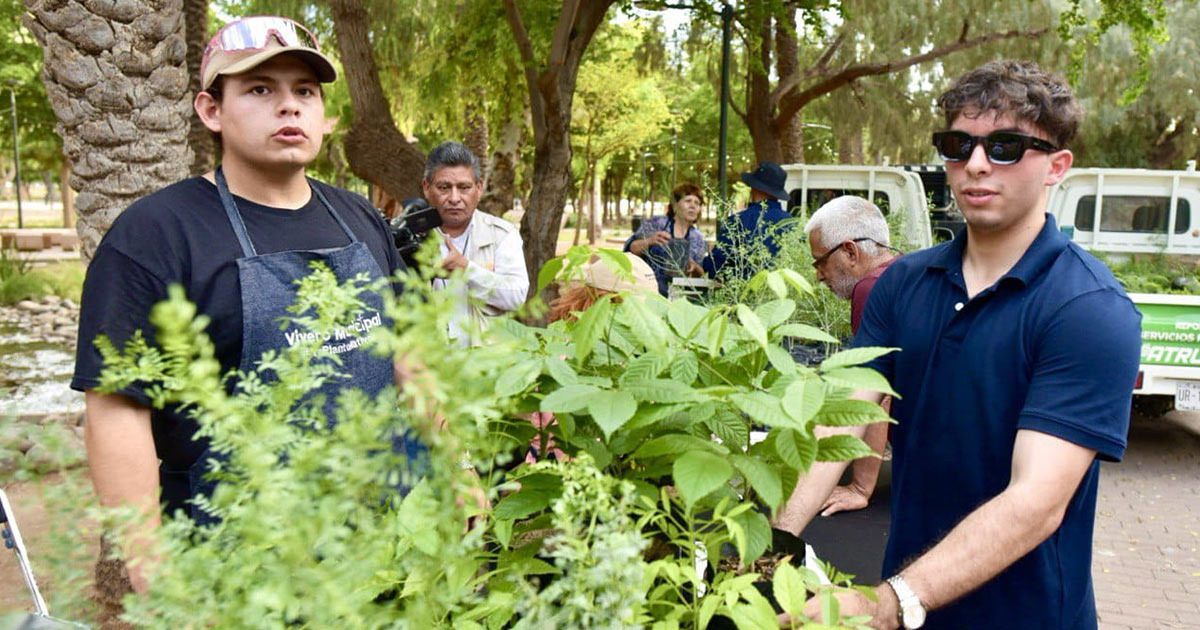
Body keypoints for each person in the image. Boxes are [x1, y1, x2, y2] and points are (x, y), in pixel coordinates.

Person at [775, 61, 1141, 630]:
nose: (975, 164)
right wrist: (776, 538)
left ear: (1057, 167)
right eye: (958, 144)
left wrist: (889, 602)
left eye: (1005, 146)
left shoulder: (1089, 309)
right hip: (914, 601)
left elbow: (1036, 503)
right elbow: (838, 417)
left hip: (1025, 616)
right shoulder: (903, 284)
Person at [71, 16, 416, 594]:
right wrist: (155, 574)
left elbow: (408, 352)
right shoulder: (155, 235)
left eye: (304, 91)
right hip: (233, 562)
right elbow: (117, 409)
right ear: (211, 110)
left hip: (382, 544)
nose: (289, 107)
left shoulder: (359, 218)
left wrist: (453, 470)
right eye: (260, 90)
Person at [803, 195, 900, 516]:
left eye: (819, 261)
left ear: (849, 251)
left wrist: (860, 488)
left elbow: (876, 392)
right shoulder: (906, 272)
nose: (818, 275)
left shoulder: (871, 289)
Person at [423, 141, 528, 345]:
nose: (454, 198)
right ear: (427, 188)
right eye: (444, 187)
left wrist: (467, 270)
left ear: (479, 188)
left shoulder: (502, 235)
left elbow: (517, 296)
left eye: (464, 188)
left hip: (486, 367)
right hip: (427, 367)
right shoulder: (409, 237)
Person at [703, 160, 794, 279]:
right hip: (785, 294)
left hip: (745, 294)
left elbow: (715, 267)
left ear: (754, 188)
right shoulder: (792, 223)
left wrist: (708, 260)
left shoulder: (738, 222)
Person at [624, 183, 707, 296]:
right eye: (688, 201)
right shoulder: (657, 224)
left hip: (679, 296)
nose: (692, 205)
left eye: (697, 203)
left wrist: (694, 267)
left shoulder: (697, 238)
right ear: (675, 205)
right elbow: (630, 250)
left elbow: (701, 274)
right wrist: (650, 241)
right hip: (646, 291)